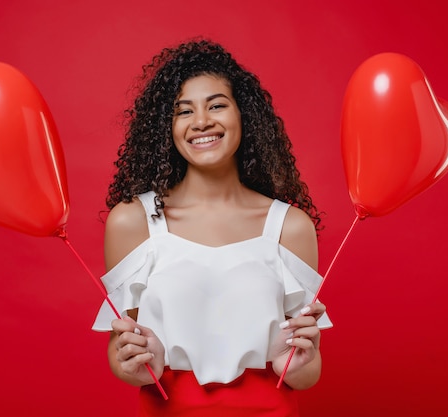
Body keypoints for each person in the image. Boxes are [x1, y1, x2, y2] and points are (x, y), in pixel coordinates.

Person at [92, 38, 332, 417]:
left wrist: (300, 364)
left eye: (217, 104)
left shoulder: (289, 226)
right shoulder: (133, 221)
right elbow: (120, 348)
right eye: (183, 111)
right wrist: (131, 365)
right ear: (166, 128)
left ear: (244, 115)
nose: (201, 121)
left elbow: (306, 371)